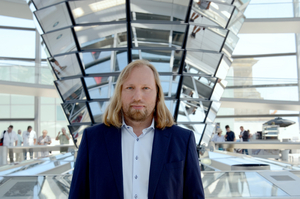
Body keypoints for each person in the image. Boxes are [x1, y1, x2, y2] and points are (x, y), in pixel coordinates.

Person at [69, 60, 205, 199]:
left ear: (157, 93)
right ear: (120, 93)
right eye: (130, 88)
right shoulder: (92, 139)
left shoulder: (183, 140)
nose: (138, 97)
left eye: (146, 88)